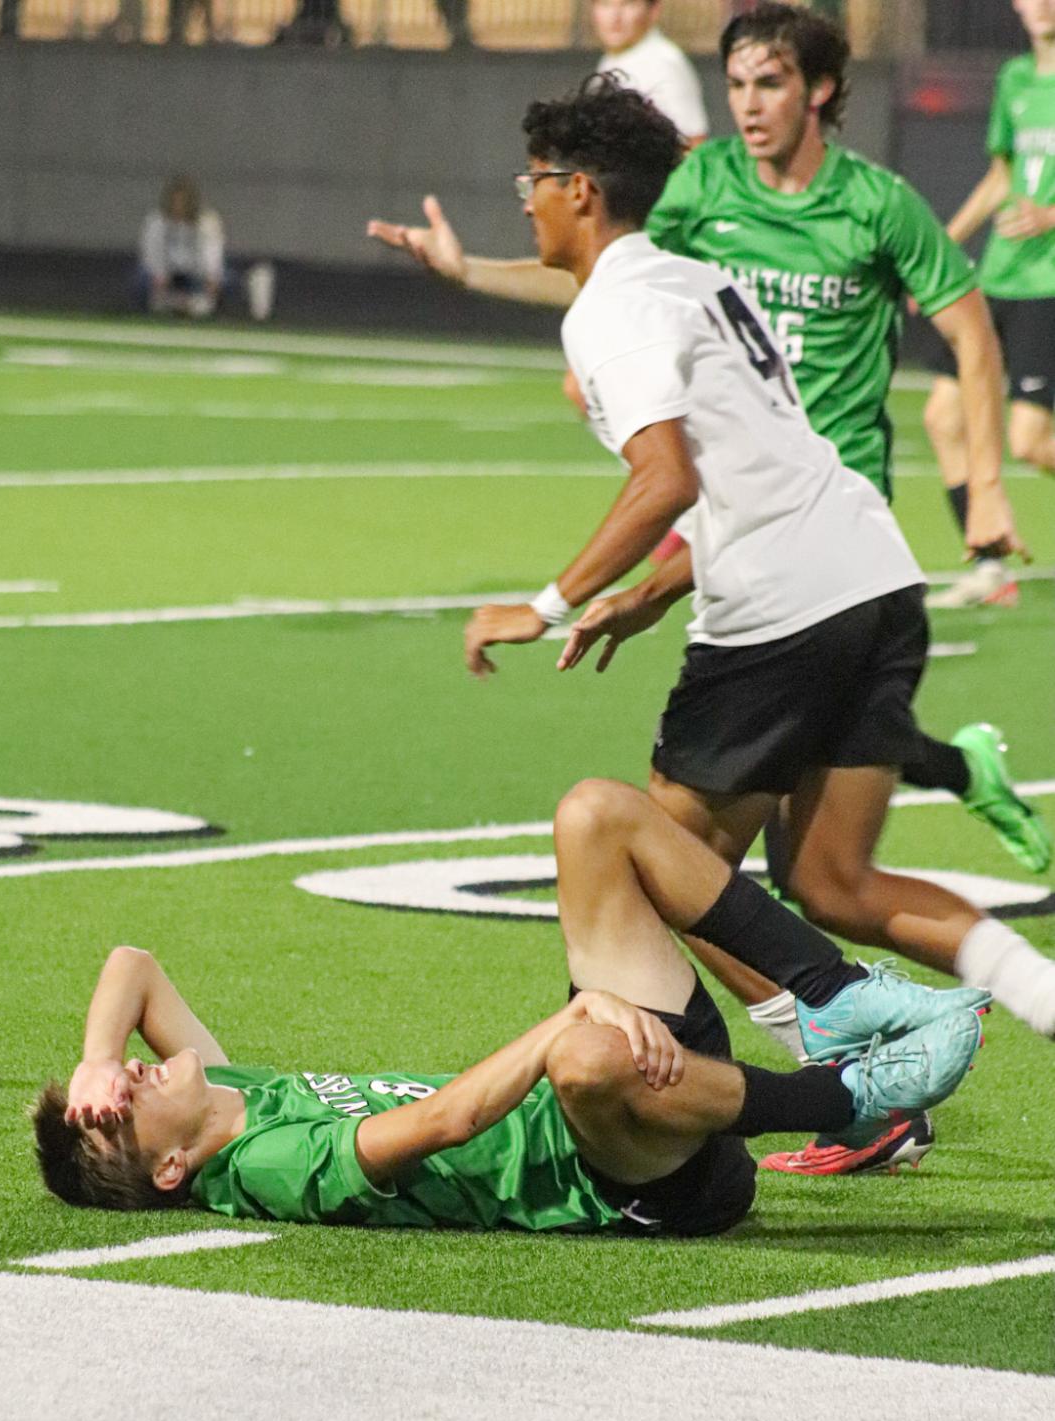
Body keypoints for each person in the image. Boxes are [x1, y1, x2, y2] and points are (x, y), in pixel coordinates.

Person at [372, 79, 1055, 1104]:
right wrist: (652, 589)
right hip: (873, 580)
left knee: (642, 864)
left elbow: (667, 479)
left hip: (779, 610)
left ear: (583, 191)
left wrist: (544, 603)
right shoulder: (693, 279)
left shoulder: (611, 309)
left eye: (536, 181)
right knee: (827, 880)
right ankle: (985, 1011)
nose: (525, 200)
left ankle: (837, 1061)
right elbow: (751, 463)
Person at [32, 780, 987, 1223]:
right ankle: (850, 1099)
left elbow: (134, 963)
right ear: (168, 1171)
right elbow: (448, 1120)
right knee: (582, 1056)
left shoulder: (231, 1092)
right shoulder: (269, 1165)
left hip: (646, 1097)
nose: (131, 1076)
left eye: (113, 1081)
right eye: (123, 1106)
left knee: (596, 816)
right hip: (639, 1179)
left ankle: (828, 995)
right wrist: (577, 1016)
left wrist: (93, 1059)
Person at [920, 0, 1055, 608]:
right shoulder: (1015, 79)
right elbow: (1002, 177)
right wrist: (940, 247)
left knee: (1029, 441)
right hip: (998, 274)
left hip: (1049, 284)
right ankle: (990, 564)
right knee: (943, 419)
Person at [592, 0, 708, 148]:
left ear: (654, 10)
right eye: (605, 4)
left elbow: (693, 143)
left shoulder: (664, 62)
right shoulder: (612, 58)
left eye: (628, 4)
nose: (615, 17)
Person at [135, 177, 226, 320]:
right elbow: (151, 252)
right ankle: (158, 308)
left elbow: (213, 252)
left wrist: (211, 278)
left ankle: (202, 308)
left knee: (227, 279)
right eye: (175, 202)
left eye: (183, 202)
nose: (179, 207)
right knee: (141, 278)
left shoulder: (207, 221)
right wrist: (159, 276)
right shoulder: (156, 221)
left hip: (195, 274)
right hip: (168, 273)